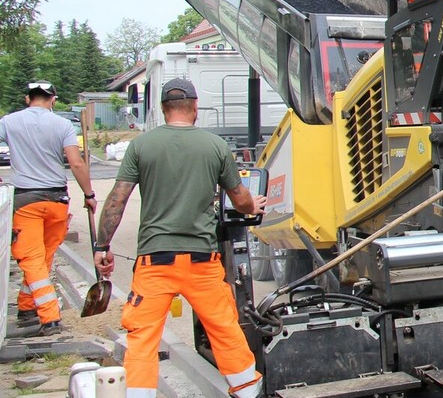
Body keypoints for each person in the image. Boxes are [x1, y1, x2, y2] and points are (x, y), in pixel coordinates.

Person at [93, 79, 268, 398]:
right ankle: (246, 391)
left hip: (155, 262)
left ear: (163, 108)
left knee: (143, 338)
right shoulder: (215, 146)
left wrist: (102, 246)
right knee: (225, 330)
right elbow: (240, 198)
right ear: (195, 106)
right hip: (202, 262)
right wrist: (252, 205)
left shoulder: (141, 146)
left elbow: (117, 199)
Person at [0, 80, 95, 337]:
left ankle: (50, 318)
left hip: (26, 201)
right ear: (53, 99)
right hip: (57, 200)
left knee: (32, 259)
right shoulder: (63, 124)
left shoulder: (9, 122)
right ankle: (27, 306)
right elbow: (76, 163)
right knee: (43, 258)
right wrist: (89, 194)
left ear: (27, 98)